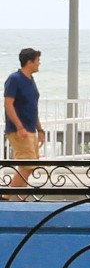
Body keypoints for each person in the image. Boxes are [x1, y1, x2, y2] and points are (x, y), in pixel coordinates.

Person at [3, 48, 44, 200]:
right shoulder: (14, 79)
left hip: (30, 129)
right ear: (29, 62)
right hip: (19, 130)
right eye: (37, 60)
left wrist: (39, 129)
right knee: (27, 165)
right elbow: (8, 104)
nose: (39, 63)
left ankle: (22, 199)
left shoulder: (31, 81)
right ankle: (6, 197)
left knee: (28, 166)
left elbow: (33, 106)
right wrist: (19, 127)